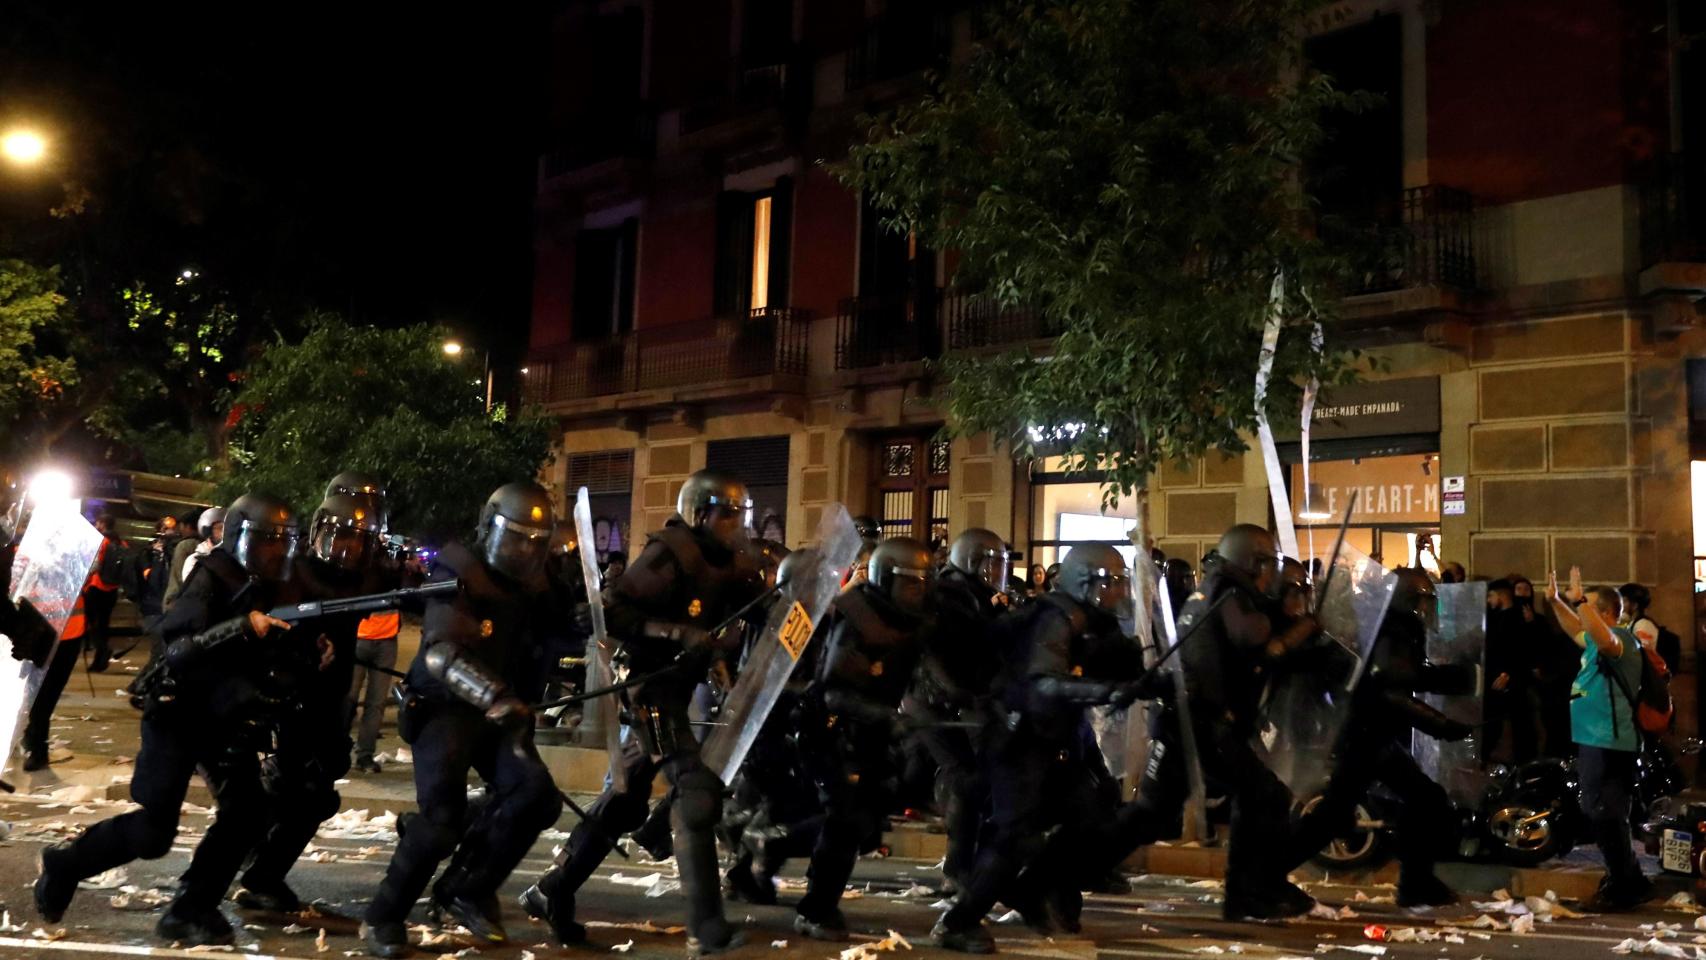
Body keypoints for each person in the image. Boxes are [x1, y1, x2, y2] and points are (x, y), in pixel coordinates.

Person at [35, 493, 315, 946]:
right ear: (243, 539)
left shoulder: (273, 585)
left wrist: (308, 654)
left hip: (223, 717)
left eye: (282, 544)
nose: (275, 553)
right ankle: (65, 865)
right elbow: (180, 649)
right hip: (177, 711)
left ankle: (191, 908)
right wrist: (243, 626)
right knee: (154, 831)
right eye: (266, 543)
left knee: (247, 813)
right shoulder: (212, 576)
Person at [522, 470, 767, 956]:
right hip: (650, 688)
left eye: (739, 517)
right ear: (700, 513)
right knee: (694, 792)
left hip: (679, 687)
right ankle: (706, 927)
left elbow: (753, 607)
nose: (733, 526)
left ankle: (551, 889)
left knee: (629, 798)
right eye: (725, 516)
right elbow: (613, 610)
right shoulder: (670, 552)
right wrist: (677, 634)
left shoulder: (729, 560)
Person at [361, 483, 563, 957]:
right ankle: (382, 917)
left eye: (535, 541)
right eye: (515, 537)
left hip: (499, 710)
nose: (523, 550)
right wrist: (495, 695)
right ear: (488, 528)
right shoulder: (460, 570)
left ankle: (467, 888)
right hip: (444, 706)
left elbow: (564, 630)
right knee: (441, 822)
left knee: (536, 796)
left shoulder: (539, 582)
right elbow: (441, 654)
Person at [931, 545, 1144, 953]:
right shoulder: (1053, 618)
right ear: (1085, 583)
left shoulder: (1090, 621)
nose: (1118, 592)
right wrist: (1108, 690)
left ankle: (1031, 891)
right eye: (1110, 583)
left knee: (1092, 817)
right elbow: (1044, 683)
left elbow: (1106, 664)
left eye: (1121, 583)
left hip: (1056, 739)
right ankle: (957, 922)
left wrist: (1143, 676)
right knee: (1013, 833)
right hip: (1020, 741)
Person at [235, 474, 393, 914]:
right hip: (290, 696)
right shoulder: (293, 571)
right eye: (338, 538)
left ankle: (257, 864)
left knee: (318, 786)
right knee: (299, 790)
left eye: (355, 542)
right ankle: (258, 869)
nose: (345, 550)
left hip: (330, 697)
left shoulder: (366, 578)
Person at [1284, 569, 1472, 907]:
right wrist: (1441, 725)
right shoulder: (1395, 631)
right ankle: (1264, 873)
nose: (1429, 608)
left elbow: (1408, 675)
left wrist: (1458, 679)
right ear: (1410, 601)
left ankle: (1416, 882)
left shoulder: (1394, 627)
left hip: (1371, 734)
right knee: (1337, 816)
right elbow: (1391, 689)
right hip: (1364, 736)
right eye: (1425, 600)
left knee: (1419, 799)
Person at [792, 538, 935, 940]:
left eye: (924, 584)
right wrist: (887, 716)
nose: (919, 592)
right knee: (845, 820)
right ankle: (815, 910)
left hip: (873, 733)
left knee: (867, 824)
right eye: (911, 584)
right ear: (886, 579)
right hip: (832, 731)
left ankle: (776, 846)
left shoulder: (913, 619)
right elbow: (834, 690)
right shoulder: (858, 616)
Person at [1178, 524, 1316, 920]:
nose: (1272, 574)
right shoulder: (1229, 593)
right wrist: (1298, 627)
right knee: (1264, 794)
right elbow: (1256, 639)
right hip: (1206, 721)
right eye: (1269, 564)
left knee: (1259, 796)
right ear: (1252, 563)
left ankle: (1250, 891)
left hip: (1207, 719)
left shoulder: (1218, 587)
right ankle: (1251, 890)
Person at [909, 528, 1007, 895]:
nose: (997, 571)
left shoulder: (974, 596)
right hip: (932, 700)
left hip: (955, 700)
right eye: (992, 563)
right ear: (972, 560)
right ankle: (958, 870)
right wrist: (959, 692)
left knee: (972, 778)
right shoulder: (948, 596)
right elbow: (936, 651)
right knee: (966, 778)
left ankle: (964, 865)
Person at [1550, 567, 1653, 910]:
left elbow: (1601, 636)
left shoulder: (1620, 638)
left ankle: (1625, 884)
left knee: (1605, 812)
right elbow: (1578, 631)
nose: (1582, 611)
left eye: (1589, 606)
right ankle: (1628, 879)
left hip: (1611, 740)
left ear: (1608, 612)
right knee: (1601, 811)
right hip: (1597, 738)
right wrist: (1556, 602)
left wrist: (1579, 600)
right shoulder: (1598, 640)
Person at [1484, 579, 1538, 764]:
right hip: (1499, 678)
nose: (1489, 600)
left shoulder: (1517, 618)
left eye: (1491, 595)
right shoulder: (1496, 617)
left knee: (1520, 725)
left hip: (1512, 680)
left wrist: (1508, 674)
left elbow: (1522, 650)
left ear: (1500, 595)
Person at [81, 514, 125, 672]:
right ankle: (99, 662)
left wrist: (82, 580)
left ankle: (103, 649)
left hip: (96, 587)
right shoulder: (121, 542)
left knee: (92, 623)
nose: (96, 525)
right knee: (104, 624)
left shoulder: (101, 541)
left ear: (103, 524)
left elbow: (96, 565)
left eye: (98, 522)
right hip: (112, 590)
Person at [164, 507, 225, 611]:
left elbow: (182, 578)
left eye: (181, 526)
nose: (180, 529)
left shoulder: (184, 546)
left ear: (188, 526)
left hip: (179, 603)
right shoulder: (207, 547)